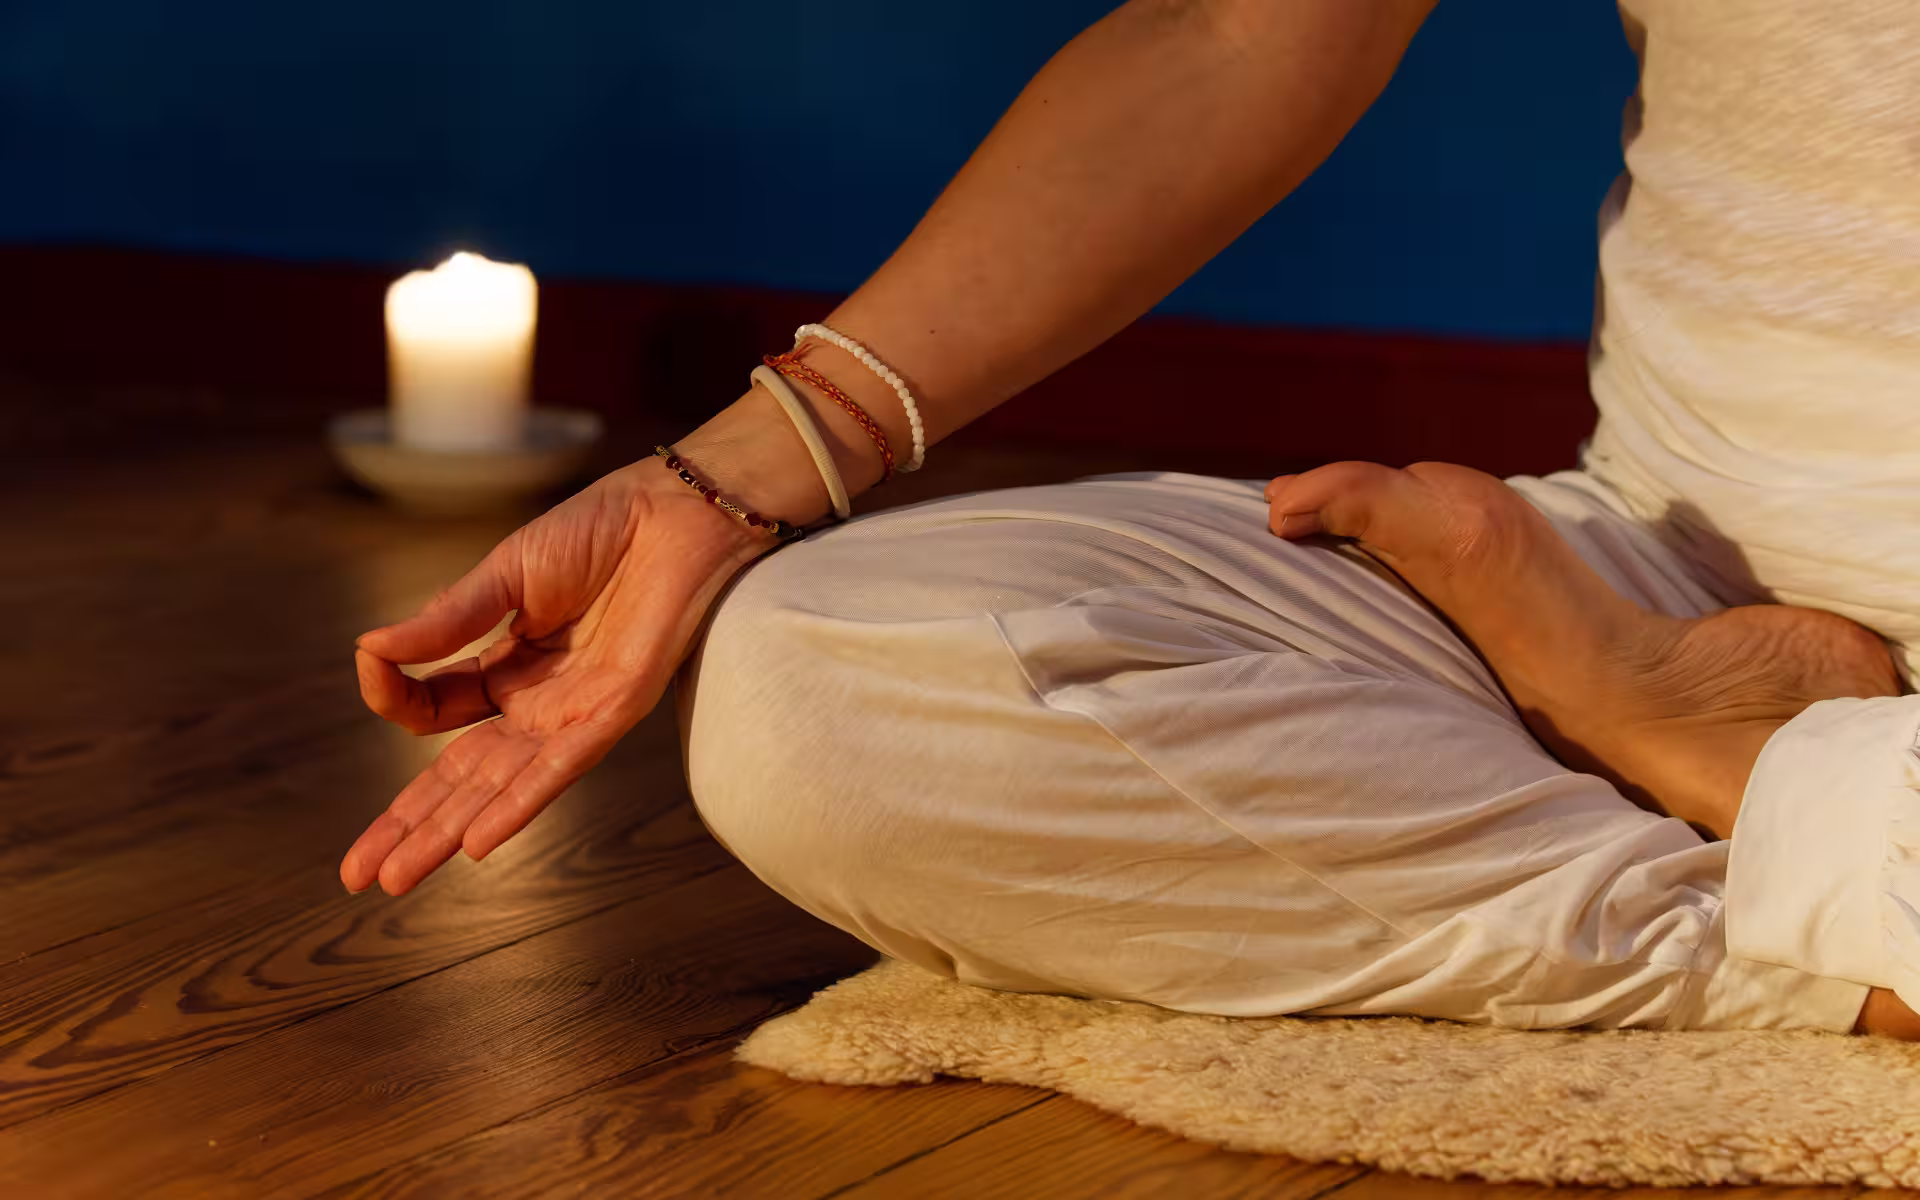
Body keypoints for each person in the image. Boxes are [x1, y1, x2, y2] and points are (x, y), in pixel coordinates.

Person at [340, 0, 1920, 1038]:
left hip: (1642, 665)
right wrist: (745, 468)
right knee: (825, 693)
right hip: (1675, 570)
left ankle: (1741, 797)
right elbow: (1232, 31)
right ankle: (1825, 839)